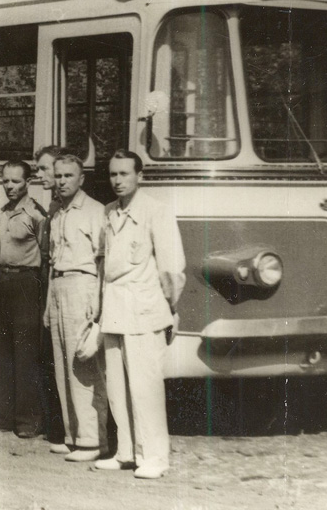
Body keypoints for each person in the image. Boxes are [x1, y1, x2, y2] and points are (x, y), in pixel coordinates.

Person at [94, 150, 185, 480]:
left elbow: (172, 269)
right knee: (117, 386)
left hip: (144, 308)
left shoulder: (155, 212)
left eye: (124, 174)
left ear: (140, 176)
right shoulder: (109, 213)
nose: (117, 180)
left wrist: (169, 309)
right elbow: (105, 266)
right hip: (115, 308)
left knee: (146, 388)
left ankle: (156, 457)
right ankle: (127, 452)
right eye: (113, 174)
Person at [45, 153, 108, 462]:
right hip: (57, 287)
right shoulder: (57, 212)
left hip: (82, 286)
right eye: (58, 176)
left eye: (68, 176)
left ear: (81, 179)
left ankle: (93, 440)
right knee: (62, 366)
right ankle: (72, 435)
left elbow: (102, 260)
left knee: (83, 365)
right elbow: (52, 261)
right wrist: (47, 305)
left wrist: (97, 304)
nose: (62, 181)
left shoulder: (95, 211)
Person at [0, 159, 47, 439]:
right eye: (5, 181)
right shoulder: (2, 213)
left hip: (26, 283)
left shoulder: (36, 214)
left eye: (15, 181)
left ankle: (27, 421)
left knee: (25, 352)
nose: (9, 186)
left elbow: (45, 256)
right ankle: (4, 417)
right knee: (2, 350)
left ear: (28, 182)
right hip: (3, 282)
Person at [34, 145, 67, 447]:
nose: (39, 174)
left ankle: (60, 428)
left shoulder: (60, 209)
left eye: (44, 169)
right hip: (46, 284)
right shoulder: (53, 207)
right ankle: (54, 426)